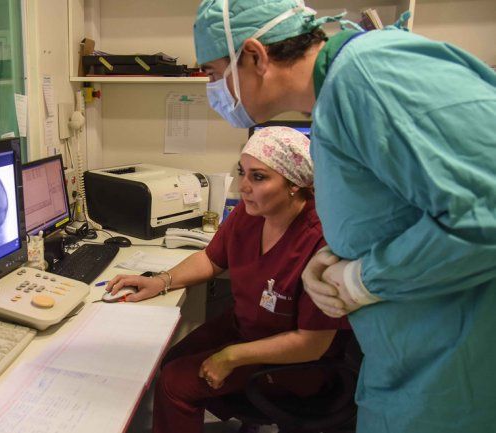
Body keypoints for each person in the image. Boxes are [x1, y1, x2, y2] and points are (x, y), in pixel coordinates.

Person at [191, 1, 496, 432]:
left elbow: (485, 212)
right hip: (406, 355)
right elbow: (400, 206)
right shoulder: (334, 101)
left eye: (212, 72)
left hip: (457, 364)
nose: (211, 87)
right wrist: (341, 254)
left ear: (256, 56)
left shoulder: (370, 76)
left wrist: (366, 277)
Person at [107, 127, 349, 433]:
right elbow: (211, 258)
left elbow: (311, 344)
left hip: (297, 362)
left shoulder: (323, 243)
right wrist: (162, 280)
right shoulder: (250, 214)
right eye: (242, 173)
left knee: (175, 383)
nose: (242, 186)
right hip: (247, 328)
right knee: (170, 360)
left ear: (294, 183)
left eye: (258, 177)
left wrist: (231, 357)